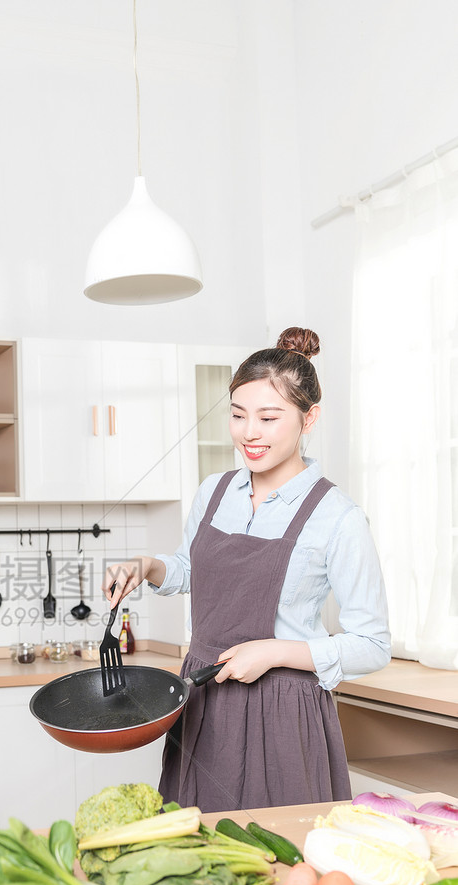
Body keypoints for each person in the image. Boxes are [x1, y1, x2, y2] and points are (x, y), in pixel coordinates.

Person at [103, 327, 390, 813]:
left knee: (278, 853)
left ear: (309, 418)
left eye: (269, 417)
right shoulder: (214, 491)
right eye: (238, 415)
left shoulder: (337, 516)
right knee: (196, 851)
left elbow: (373, 644)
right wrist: (148, 566)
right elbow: (193, 571)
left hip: (282, 708)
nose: (249, 433)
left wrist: (275, 652)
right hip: (200, 701)